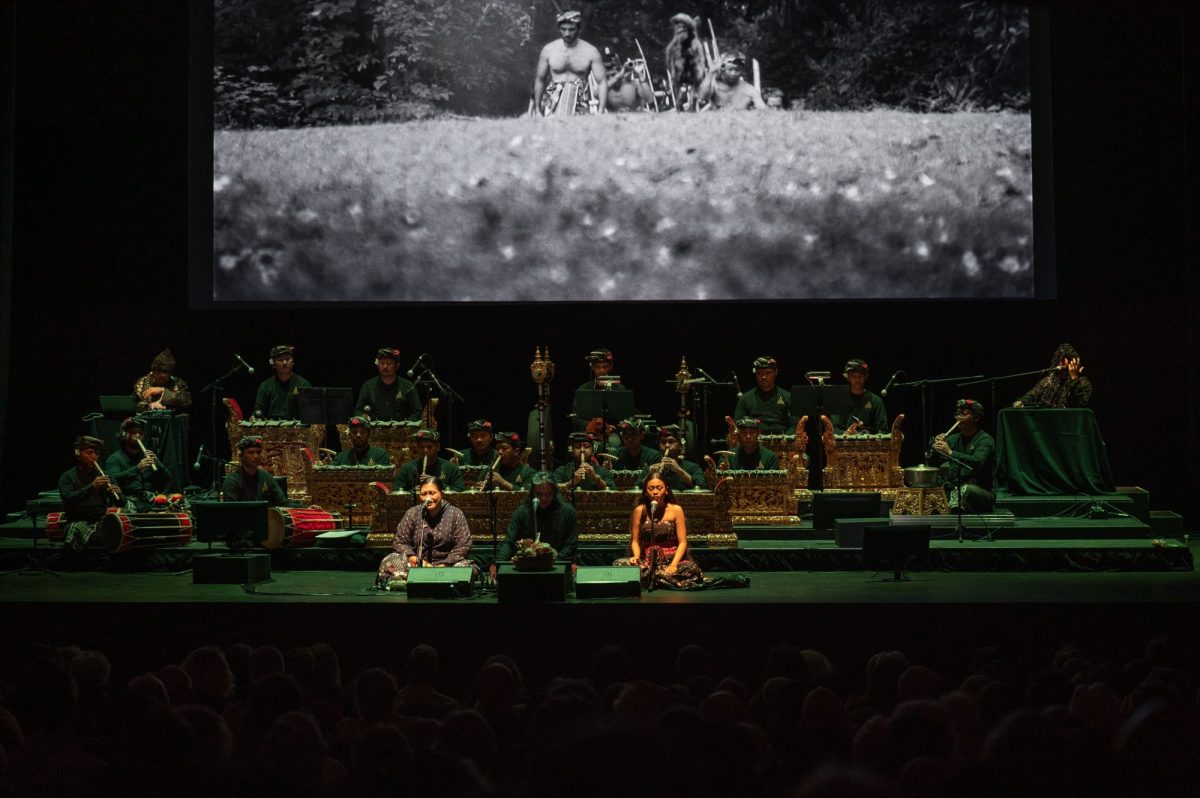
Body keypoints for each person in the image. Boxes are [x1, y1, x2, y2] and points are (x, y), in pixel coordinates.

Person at [376, 476, 474, 589]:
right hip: (418, 565)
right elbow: (399, 541)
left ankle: (422, 583)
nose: (428, 497)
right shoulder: (413, 513)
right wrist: (420, 562)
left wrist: (444, 565)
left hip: (447, 566)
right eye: (424, 494)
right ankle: (417, 582)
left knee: (466, 568)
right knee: (390, 560)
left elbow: (464, 544)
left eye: (432, 493)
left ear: (441, 494)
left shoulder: (455, 514)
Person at [490, 472, 578, 580]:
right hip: (526, 566)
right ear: (532, 493)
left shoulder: (568, 512)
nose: (544, 498)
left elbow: (570, 545)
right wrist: (499, 563)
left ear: (555, 493)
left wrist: (552, 564)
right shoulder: (521, 513)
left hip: (557, 566)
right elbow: (509, 542)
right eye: (539, 494)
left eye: (548, 494)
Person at [622, 474, 704, 589]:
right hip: (646, 561)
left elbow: (683, 543)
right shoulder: (640, 510)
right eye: (651, 488)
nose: (655, 492)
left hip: (670, 560)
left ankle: (654, 577)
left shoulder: (676, 510)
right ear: (646, 492)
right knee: (620, 564)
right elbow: (635, 540)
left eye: (659, 488)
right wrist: (635, 556)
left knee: (691, 568)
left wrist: (674, 564)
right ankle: (661, 578)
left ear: (666, 490)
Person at [534, 10, 606, 116]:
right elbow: (540, 80)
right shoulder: (548, 50)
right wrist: (537, 109)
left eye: (571, 29)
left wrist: (600, 111)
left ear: (579, 29)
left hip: (580, 104)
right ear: (559, 29)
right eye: (563, 29)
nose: (567, 34)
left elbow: (602, 82)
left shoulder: (591, 51)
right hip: (553, 103)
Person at [58, 435, 122, 549]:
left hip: (100, 521)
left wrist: (119, 495)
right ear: (78, 454)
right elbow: (68, 500)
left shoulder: (105, 475)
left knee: (118, 532)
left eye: (96, 453)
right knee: (76, 530)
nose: (94, 457)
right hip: (77, 520)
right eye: (89, 452)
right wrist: (92, 487)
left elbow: (120, 504)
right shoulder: (67, 476)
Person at [931, 399, 996, 512]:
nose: (959, 418)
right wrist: (934, 448)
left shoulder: (985, 440)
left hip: (979, 490)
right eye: (957, 414)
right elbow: (935, 464)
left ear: (976, 417)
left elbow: (977, 462)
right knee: (934, 481)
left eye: (964, 414)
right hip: (954, 487)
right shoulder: (952, 439)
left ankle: (954, 506)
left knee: (966, 490)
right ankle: (952, 505)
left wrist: (951, 453)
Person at [104, 416, 170, 509]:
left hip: (151, 499)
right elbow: (112, 479)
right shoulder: (115, 458)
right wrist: (137, 469)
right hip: (129, 500)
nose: (138, 435)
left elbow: (167, 480)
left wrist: (159, 464)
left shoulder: (146, 455)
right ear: (123, 435)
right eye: (133, 432)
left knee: (179, 502)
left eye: (140, 433)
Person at [571, 348, 629, 450]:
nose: (601, 371)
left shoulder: (619, 388)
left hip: (611, 432)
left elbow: (625, 416)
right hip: (589, 431)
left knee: (614, 443)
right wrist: (591, 425)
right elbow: (575, 418)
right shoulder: (583, 389)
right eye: (598, 367)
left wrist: (612, 426)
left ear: (611, 367)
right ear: (592, 367)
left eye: (605, 367)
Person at [1014, 343, 1093, 408]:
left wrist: (1074, 378)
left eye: (1064, 358)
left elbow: (1081, 404)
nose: (1061, 362)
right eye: (1059, 358)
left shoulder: (1083, 382)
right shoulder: (1049, 380)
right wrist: (1020, 402)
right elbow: (1031, 395)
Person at [355, 347, 422, 422]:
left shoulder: (408, 386)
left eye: (389, 363)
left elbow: (417, 412)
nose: (385, 366)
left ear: (397, 365)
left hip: (400, 430)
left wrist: (406, 426)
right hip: (374, 430)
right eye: (382, 363)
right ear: (377, 365)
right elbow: (358, 410)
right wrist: (364, 420)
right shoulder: (368, 386)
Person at [391, 429, 465, 494]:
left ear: (438, 447)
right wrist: (413, 492)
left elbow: (460, 491)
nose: (425, 450)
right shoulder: (407, 469)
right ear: (417, 448)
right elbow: (396, 491)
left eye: (429, 447)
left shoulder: (450, 468)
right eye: (421, 447)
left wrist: (436, 484)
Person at [221, 435, 288, 506]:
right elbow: (231, 511)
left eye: (258, 452)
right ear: (242, 456)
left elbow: (283, 502)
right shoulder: (232, 481)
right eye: (251, 452)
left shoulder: (267, 477)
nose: (256, 456)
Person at [733, 356, 792, 434]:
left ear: (776, 372)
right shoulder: (745, 398)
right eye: (760, 373)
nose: (764, 377)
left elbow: (793, 426)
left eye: (768, 373)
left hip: (782, 442)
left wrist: (786, 440)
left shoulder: (787, 397)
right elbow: (738, 425)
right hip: (754, 442)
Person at [831, 359, 889, 434]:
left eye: (860, 376)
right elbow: (833, 429)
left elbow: (883, 430)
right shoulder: (839, 400)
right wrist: (846, 434)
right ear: (847, 377)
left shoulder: (875, 401)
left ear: (866, 376)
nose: (857, 380)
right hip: (844, 443)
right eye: (853, 376)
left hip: (869, 444)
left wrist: (863, 436)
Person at [254, 345, 312, 420]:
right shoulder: (265, 386)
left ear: (293, 362)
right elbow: (259, 410)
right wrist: (255, 417)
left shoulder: (303, 384)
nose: (284, 363)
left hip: (297, 429)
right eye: (280, 360)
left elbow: (310, 412)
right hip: (272, 429)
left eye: (288, 359)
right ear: (273, 364)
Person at [698, 52, 768, 110]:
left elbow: (763, 109)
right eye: (730, 69)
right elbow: (702, 96)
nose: (733, 73)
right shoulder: (714, 85)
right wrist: (711, 72)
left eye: (737, 70)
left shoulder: (749, 90)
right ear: (723, 69)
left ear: (741, 70)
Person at [645, 424, 707, 490]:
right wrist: (650, 476)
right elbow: (637, 488)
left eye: (671, 441)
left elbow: (702, 486)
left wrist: (678, 470)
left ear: (680, 445)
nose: (667, 445)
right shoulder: (651, 466)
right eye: (663, 442)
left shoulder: (693, 467)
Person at [664, 13, 705, 111]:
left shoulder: (683, 31)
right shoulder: (682, 31)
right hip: (686, 50)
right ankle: (684, 102)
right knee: (669, 51)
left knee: (669, 52)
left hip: (687, 49)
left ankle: (686, 101)